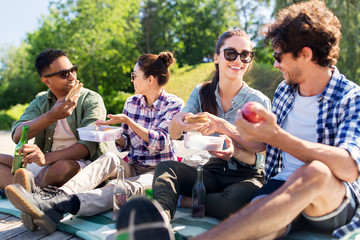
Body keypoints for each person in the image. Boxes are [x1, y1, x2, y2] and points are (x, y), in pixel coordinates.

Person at [194, 0, 360, 239]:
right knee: (255, 226)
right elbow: (265, 145)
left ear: (305, 54)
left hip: (331, 198)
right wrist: (231, 129)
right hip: (281, 185)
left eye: (279, 56)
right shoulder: (285, 91)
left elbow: (349, 167)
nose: (275, 64)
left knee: (315, 172)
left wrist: (277, 136)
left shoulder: (351, 97)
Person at [5, 51, 184, 233]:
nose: (132, 80)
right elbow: (128, 144)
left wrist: (129, 122)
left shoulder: (173, 104)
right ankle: (50, 200)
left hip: (159, 171)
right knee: (109, 157)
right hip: (134, 165)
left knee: (119, 187)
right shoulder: (132, 102)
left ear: (150, 79)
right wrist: (113, 134)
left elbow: (162, 141)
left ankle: (56, 206)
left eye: (134, 76)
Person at [152, 29, 271, 222]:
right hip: (213, 170)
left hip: (247, 175)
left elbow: (262, 154)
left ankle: (189, 201)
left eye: (245, 55)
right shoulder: (201, 92)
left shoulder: (258, 101)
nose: (238, 61)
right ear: (216, 57)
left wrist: (228, 139)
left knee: (230, 204)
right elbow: (174, 134)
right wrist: (179, 120)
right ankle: (162, 217)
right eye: (231, 53)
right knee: (166, 169)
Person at [0, 49, 107, 189]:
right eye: (64, 74)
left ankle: (25, 189)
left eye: (73, 70)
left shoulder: (91, 99)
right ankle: (28, 190)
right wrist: (51, 116)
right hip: (42, 164)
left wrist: (46, 158)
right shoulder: (40, 101)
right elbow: (17, 135)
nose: (72, 77)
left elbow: (87, 146)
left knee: (62, 167)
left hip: (80, 164)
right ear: (47, 81)